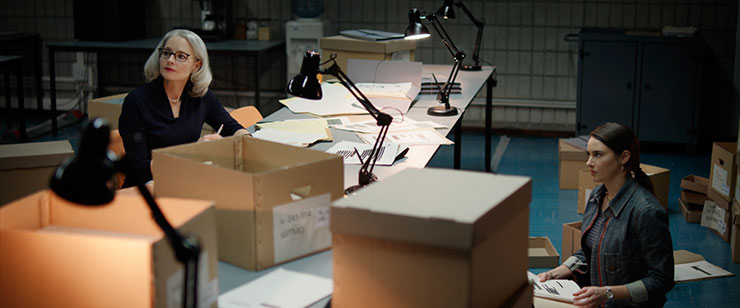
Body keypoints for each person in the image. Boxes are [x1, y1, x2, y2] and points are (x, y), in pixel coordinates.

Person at [537, 122, 674, 308]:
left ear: (624, 157)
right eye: (589, 154)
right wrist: (559, 271)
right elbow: (591, 252)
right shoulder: (596, 196)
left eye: (598, 155)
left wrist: (608, 293)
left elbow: (661, 280)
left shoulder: (646, 211)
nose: (588, 162)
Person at [118, 29, 249, 187]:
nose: (170, 60)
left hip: (185, 181)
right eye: (166, 53)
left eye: (181, 56)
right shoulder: (136, 102)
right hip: (146, 189)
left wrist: (248, 140)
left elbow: (230, 126)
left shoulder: (201, 96)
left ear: (196, 66)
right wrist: (194, 153)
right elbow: (140, 168)